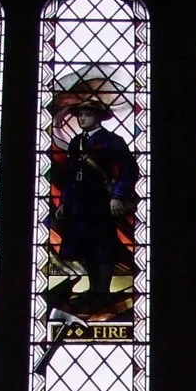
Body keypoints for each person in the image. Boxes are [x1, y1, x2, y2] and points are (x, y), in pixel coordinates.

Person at [52, 99, 138, 315]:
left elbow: (129, 170)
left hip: (102, 201)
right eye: (80, 115)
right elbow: (72, 175)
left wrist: (118, 196)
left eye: (87, 115)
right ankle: (93, 290)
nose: (82, 118)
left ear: (98, 118)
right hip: (80, 203)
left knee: (103, 246)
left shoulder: (112, 141)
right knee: (87, 247)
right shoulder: (75, 143)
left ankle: (102, 292)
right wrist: (64, 201)